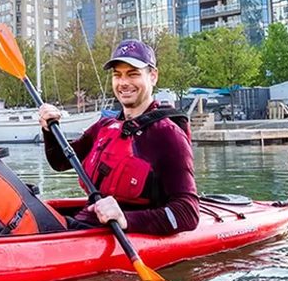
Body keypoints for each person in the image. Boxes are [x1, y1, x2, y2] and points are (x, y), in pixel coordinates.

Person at [38, 39, 199, 236]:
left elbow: (188, 213)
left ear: (153, 76)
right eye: (117, 75)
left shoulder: (167, 135)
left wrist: (125, 219)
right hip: (84, 225)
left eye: (133, 74)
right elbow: (60, 162)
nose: (123, 83)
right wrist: (49, 129)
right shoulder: (105, 127)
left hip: (117, 233)